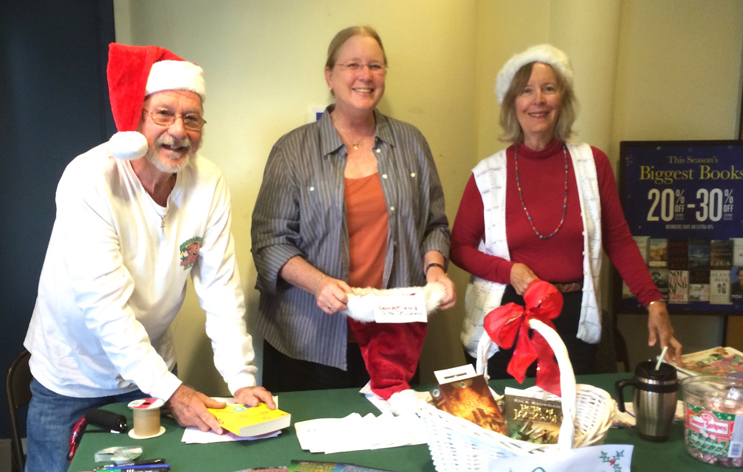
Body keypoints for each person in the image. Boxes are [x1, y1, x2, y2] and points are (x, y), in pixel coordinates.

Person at [23, 43, 274, 472]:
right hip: (72, 376)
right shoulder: (89, 179)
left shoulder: (208, 182)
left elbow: (220, 291)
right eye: (164, 114)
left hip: (153, 369)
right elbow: (107, 310)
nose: (179, 131)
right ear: (137, 119)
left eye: (191, 118)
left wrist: (242, 381)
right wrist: (174, 393)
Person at [451, 44, 682, 377]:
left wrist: (654, 301)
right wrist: (510, 271)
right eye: (526, 91)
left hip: (575, 319)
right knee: (506, 420)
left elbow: (617, 239)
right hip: (507, 320)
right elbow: (459, 248)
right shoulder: (487, 175)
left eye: (549, 88)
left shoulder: (593, 164)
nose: (538, 100)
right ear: (512, 103)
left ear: (563, 99)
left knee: (571, 417)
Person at [251, 26, 455, 401]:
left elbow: (435, 226)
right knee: (310, 454)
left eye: (375, 65)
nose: (365, 75)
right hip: (309, 342)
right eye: (352, 65)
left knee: (394, 446)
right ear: (330, 75)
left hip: (393, 336)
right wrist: (317, 283)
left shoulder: (411, 143)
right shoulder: (292, 150)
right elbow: (269, 243)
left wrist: (435, 270)